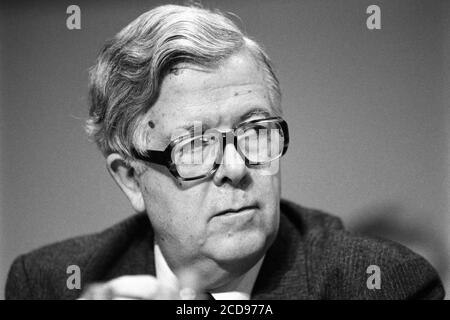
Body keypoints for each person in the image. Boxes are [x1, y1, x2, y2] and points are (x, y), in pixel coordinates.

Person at [5, 4, 445, 300]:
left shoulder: (385, 285)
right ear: (130, 177)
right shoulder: (48, 282)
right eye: (195, 146)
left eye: (255, 131)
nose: (236, 167)